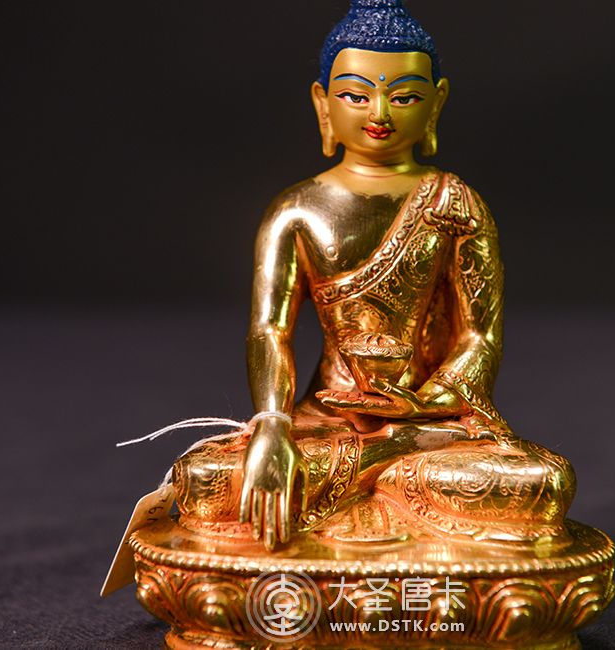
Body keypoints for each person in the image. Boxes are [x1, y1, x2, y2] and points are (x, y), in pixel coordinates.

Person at [172, 0, 575, 551]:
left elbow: (479, 336)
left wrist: (420, 405)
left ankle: (384, 463)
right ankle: (383, 469)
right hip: (327, 420)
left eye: (404, 96)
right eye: (356, 96)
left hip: (430, 422)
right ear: (323, 103)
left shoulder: (455, 203)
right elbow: (269, 331)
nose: (379, 112)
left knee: (539, 482)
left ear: (436, 103)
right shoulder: (296, 210)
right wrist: (271, 424)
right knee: (206, 479)